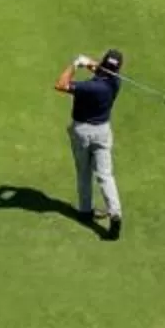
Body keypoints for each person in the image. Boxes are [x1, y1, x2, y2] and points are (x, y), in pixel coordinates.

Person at [52, 48, 125, 240]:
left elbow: (60, 85)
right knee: (105, 175)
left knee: (83, 171)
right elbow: (102, 71)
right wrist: (89, 63)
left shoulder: (90, 88)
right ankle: (115, 212)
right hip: (102, 132)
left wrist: (76, 64)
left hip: (82, 133)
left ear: (103, 64)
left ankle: (85, 211)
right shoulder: (116, 82)